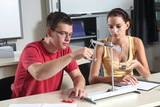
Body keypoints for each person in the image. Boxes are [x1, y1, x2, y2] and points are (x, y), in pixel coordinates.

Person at [11, 12, 93, 99]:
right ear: (49, 32)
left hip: (49, 101)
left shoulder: (65, 50)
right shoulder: (31, 49)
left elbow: (78, 76)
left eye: (70, 34)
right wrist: (71, 56)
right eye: (63, 33)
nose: (68, 39)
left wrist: (79, 87)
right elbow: (38, 74)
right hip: (24, 103)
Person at [89, 8, 151, 85]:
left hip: (129, 86)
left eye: (118, 26)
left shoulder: (136, 42)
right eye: (110, 27)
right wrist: (117, 79)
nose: (114, 31)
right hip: (109, 87)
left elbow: (147, 76)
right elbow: (92, 79)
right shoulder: (101, 45)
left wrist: (138, 65)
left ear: (127, 25)